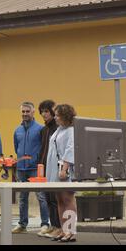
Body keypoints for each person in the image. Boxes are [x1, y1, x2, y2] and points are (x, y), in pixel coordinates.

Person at [12, 101, 49, 235]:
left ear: (33, 112)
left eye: (28, 111)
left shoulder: (40, 129)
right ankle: (22, 224)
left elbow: (44, 147)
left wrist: (38, 161)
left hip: (35, 168)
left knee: (41, 197)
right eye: (23, 111)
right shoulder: (17, 130)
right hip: (21, 168)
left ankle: (45, 224)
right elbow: (17, 148)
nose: (25, 114)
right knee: (22, 198)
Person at [46, 104, 78, 243]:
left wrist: (64, 169)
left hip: (64, 170)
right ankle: (64, 230)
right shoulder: (59, 129)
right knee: (59, 200)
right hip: (54, 169)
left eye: (58, 115)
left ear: (65, 116)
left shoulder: (71, 131)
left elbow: (70, 150)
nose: (55, 117)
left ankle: (71, 231)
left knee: (67, 199)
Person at [38, 100, 61, 238]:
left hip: (54, 168)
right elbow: (43, 150)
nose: (44, 114)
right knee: (48, 198)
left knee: (55, 199)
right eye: (42, 111)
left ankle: (58, 227)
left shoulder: (57, 128)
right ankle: (53, 226)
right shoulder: (44, 129)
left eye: (46, 111)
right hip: (44, 167)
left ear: (52, 112)